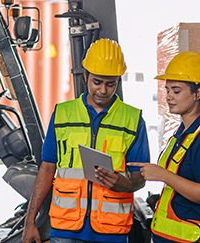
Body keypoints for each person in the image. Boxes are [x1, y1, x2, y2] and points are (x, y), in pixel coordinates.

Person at [22, 38, 150, 243]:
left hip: (111, 233)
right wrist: (30, 222)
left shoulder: (133, 120)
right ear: (85, 77)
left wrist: (124, 183)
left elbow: (140, 177)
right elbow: (47, 169)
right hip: (65, 230)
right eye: (97, 82)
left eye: (111, 84)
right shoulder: (63, 114)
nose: (103, 90)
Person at [129, 52, 200, 242]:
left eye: (176, 91)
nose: (169, 96)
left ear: (198, 93)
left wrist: (162, 175)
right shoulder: (183, 133)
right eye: (167, 90)